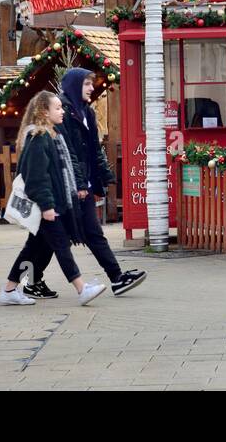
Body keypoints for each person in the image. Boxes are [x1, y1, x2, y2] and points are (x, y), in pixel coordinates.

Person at [25, 69, 145, 300]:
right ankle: (116, 277)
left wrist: (105, 175)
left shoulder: (87, 112)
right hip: (67, 184)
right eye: (86, 84)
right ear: (74, 84)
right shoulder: (63, 111)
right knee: (83, 232)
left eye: (92, 83)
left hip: (80, 182)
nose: (91, 88)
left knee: (45, 239)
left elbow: (94, 148)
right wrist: (80, 185)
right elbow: (68, 151)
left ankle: (30, 281)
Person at [0, 91, 106, 307]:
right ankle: (82, 289)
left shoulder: (52, 134)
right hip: (47, 206)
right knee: (61, 245)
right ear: (44, 112)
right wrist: (47, 206)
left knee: (32, 249)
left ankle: (9, 290)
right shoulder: (38, 137)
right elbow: (36, 177)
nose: (62, 111)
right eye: (57, 108)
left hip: (54, 204)